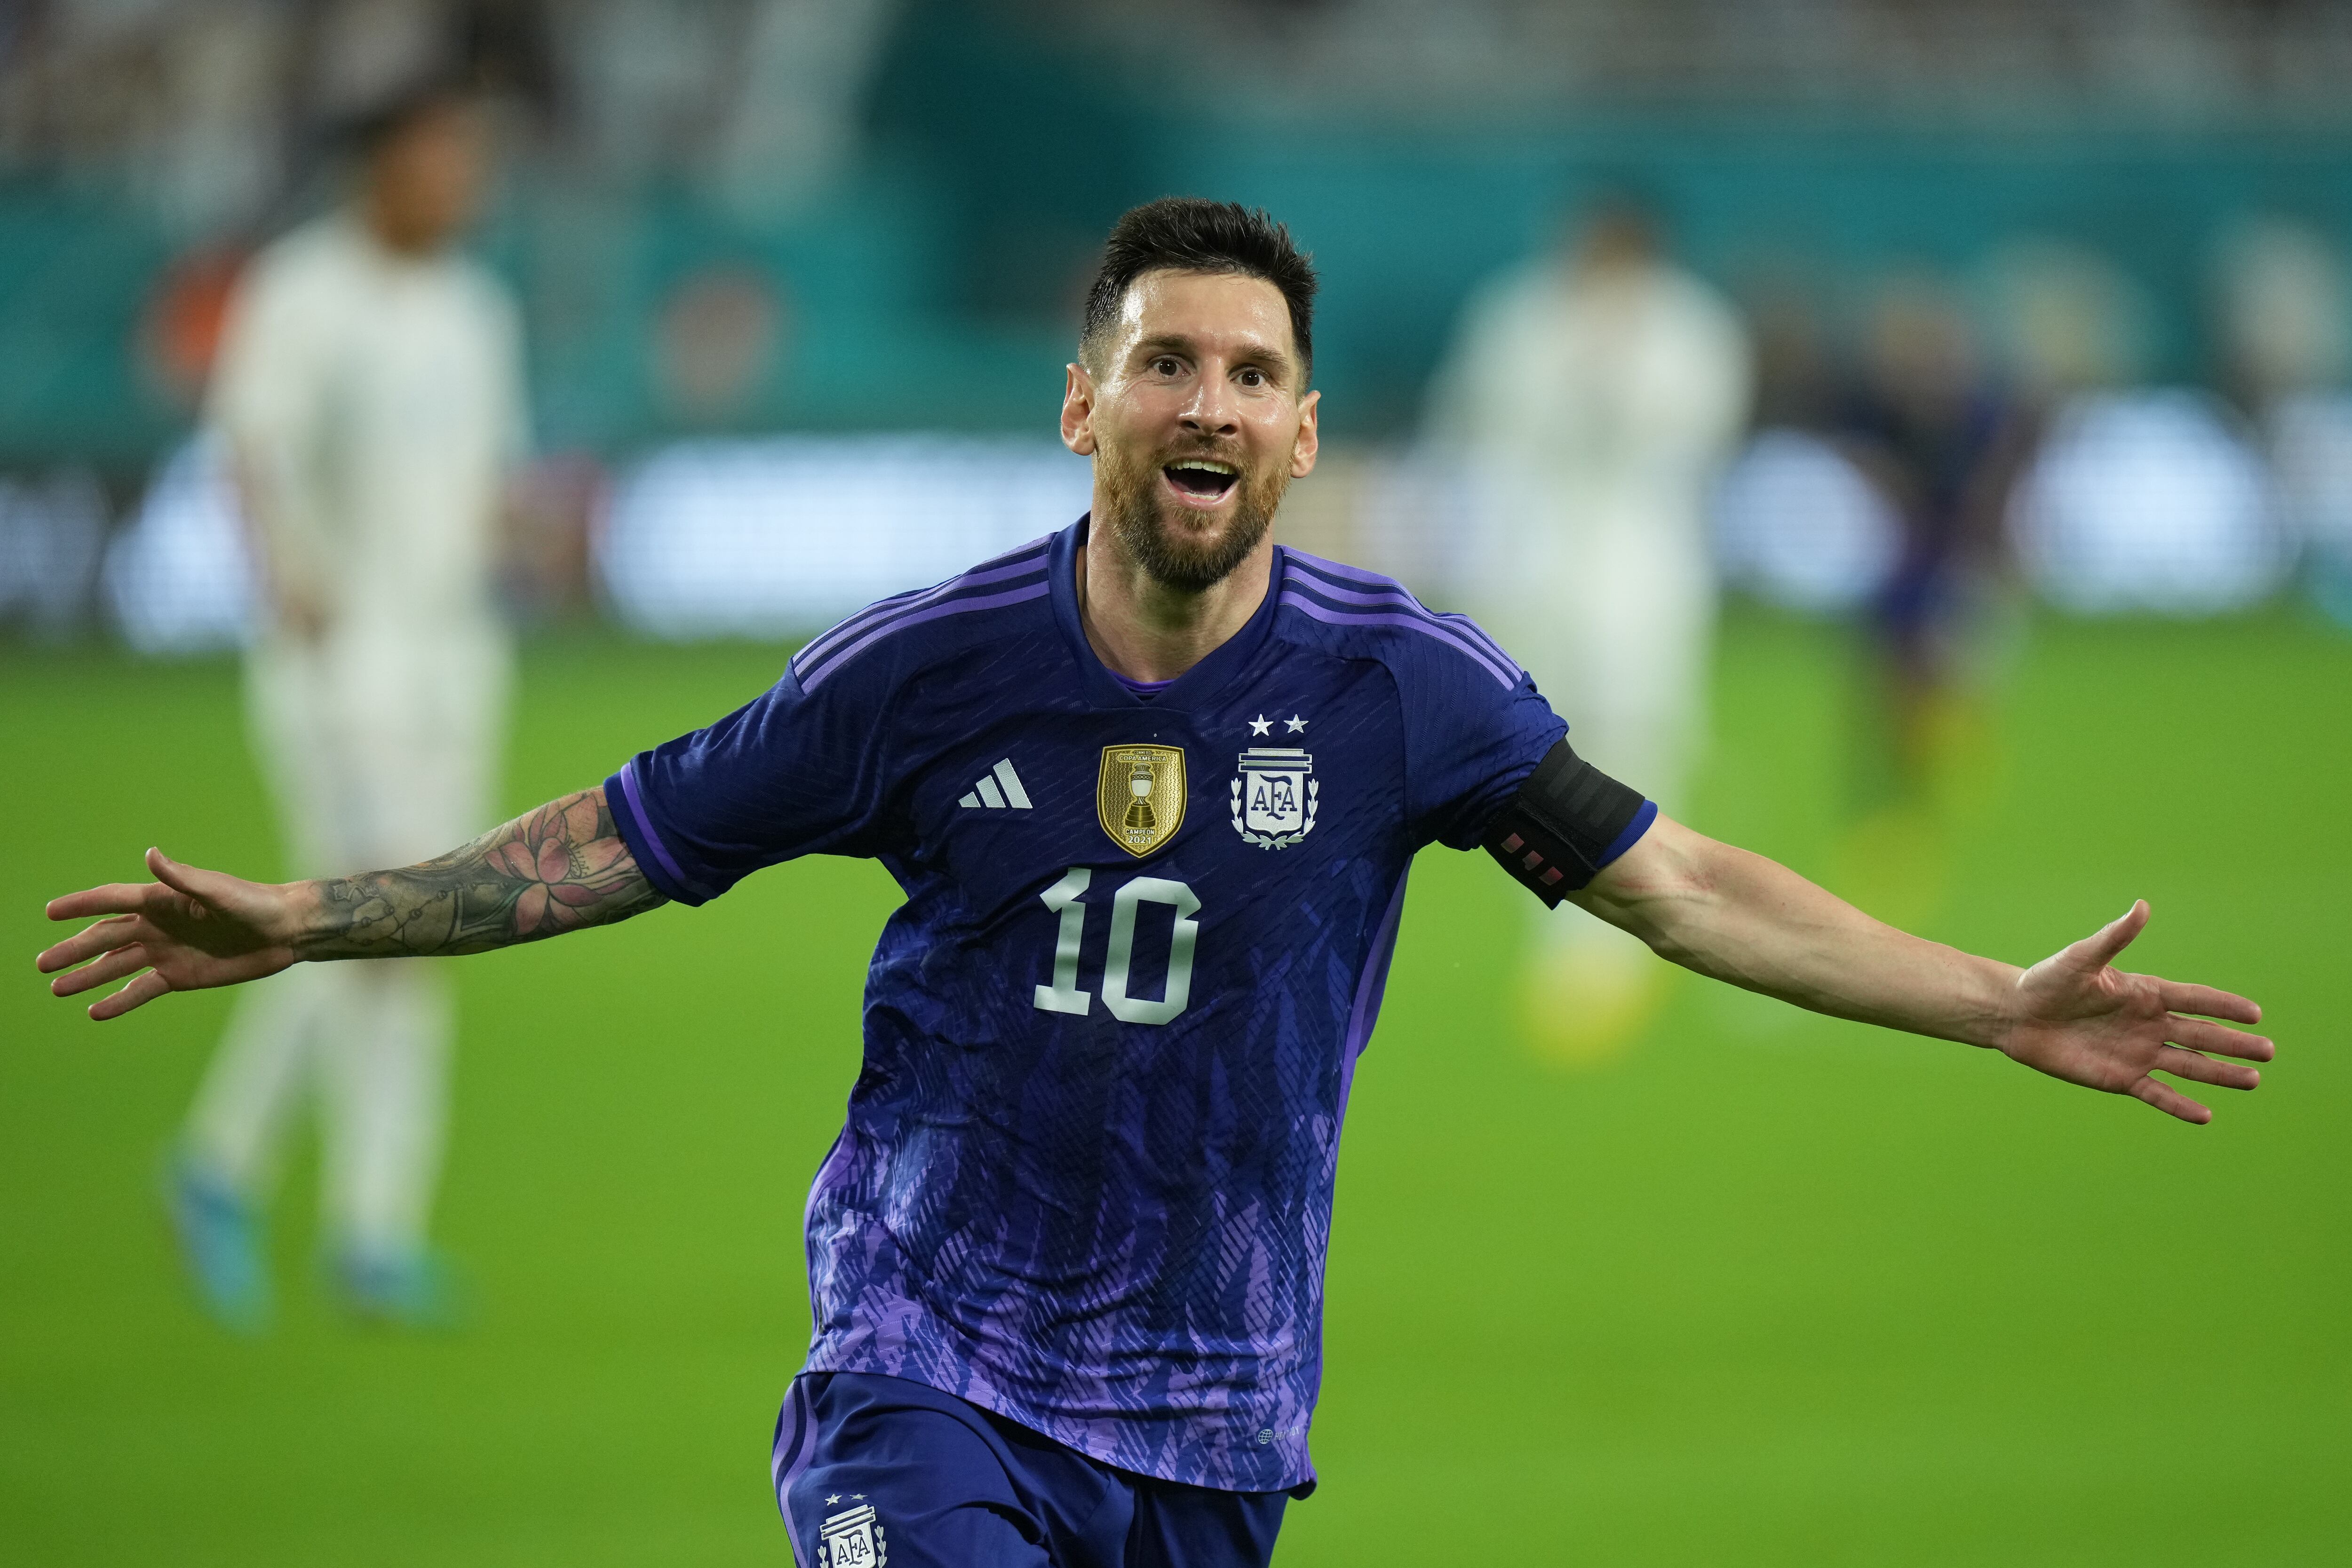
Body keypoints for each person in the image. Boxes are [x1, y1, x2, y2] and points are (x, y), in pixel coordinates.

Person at [41, 200, 2269, 1568]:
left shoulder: (1408, 693)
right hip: (925, 1375)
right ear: (1086, 406)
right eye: (1168, 363)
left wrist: (1989, 998)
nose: (1209, 401)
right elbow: (615, 843)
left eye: (1254, 373)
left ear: (1303, 432)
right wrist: (308, 915)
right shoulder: (921, 678)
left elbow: (1683, 885)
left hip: (1211, 1427)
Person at [164, 82, 526, 1329]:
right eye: (439, 155)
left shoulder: (477, 307)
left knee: (428, 933)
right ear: (377, 164)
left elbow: (484, 480)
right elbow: (251, 449)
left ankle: (372, 1231)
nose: (460, 179)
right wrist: (286, 582)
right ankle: (224, 1162)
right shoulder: (303, 290)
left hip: (451, 660)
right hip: (343, 659)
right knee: (353, 903)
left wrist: (522, 531)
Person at [1426, 190, 1752, 1063]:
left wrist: (1613, 383)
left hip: (1645, 556)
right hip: (1537, 551)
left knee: (1637, 733)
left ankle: (1635, 924)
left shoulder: (1689, 326)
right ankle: (1566, 921)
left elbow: (1697, 431)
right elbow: (1478, 424)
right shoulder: (1520, 313)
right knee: (1535, 739)